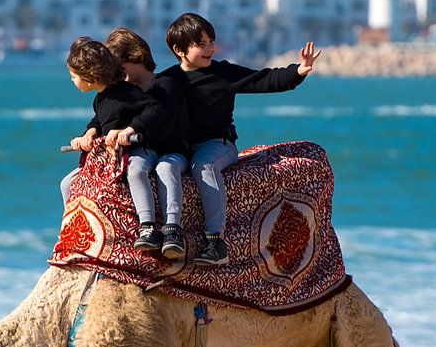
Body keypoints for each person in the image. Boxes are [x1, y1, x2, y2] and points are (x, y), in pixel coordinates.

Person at [159, 14, 320, 267]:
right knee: (164, 167)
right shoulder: (166, 81)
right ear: (179, 50)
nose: (210, 47)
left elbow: (263, 80)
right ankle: (171, 232)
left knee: (204, 166)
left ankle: (215, 241)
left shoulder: (223, 72)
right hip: (180, 149)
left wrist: (297, 72)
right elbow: (143, 109)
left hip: (217, 145)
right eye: (201, 44)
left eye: (211, 41)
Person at [60, 36, 174, 254]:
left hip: (139, 151)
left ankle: (148, 227)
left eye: (73, 76)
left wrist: (129, 130)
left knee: (135, 171)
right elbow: (98, 121)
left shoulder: (126, 92)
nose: (72, 80)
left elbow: (156, 110)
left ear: (90, 76)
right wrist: (88, 134)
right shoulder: (99, 98)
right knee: (68, 183)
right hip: (111, 157)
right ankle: (73, 230)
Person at [105, 26, 191, 259]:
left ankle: (172, 230)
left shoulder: (164, 85)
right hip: (145, 151)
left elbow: (164, 125)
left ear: (136, 57)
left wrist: (130, 132)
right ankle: (144, 230)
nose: (117, 75)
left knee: (166, 167)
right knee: (132, 169)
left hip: (171, 151)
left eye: (120, 67)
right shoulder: (127, 92)